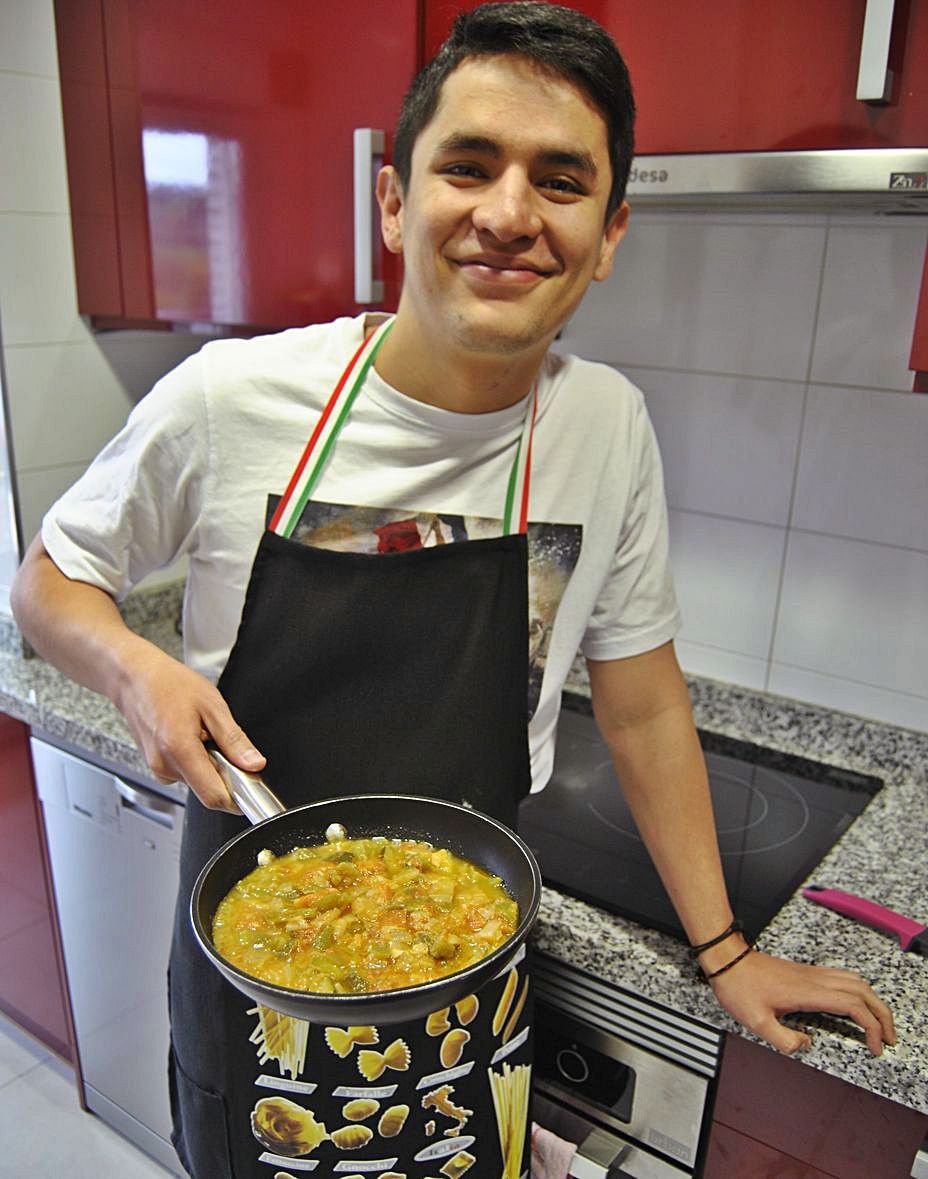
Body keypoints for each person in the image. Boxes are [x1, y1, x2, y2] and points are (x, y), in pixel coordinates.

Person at [12, 3, 894, 1176]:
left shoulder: (605, 427)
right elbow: (49, 585)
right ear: (393, 200)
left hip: (470, 948)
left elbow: (639, 704)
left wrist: (725, 951)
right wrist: (138, 665)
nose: (509, 215)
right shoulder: (229, 398)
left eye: (560, 181)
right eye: (467, 167)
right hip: (256, 938)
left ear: (611, 230)